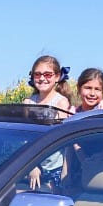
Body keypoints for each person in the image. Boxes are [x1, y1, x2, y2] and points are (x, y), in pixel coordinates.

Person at [24, 55, 73, 188]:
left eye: (47, 74)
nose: (42, 78)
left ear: (57, 77)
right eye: (37, 74)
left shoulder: (61, 102)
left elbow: (63, 138)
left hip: (54, 166)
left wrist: (65, 169)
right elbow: (25, 139)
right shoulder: (28, 103)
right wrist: (32, 165)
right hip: (31, 164)